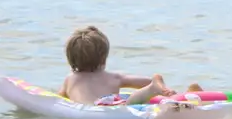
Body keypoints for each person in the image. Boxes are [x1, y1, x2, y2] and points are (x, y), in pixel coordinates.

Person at [58, 25, 194, 106]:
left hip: (98, 109)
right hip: (112, 103)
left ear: (71, 58)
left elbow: (58, 100)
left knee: (128, 104)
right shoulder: (113, 77)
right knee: (132, 101)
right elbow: (143, 81)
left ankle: (152, 89)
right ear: (103, 59)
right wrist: (165, 90)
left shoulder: (70, 79)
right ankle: (178, 93)